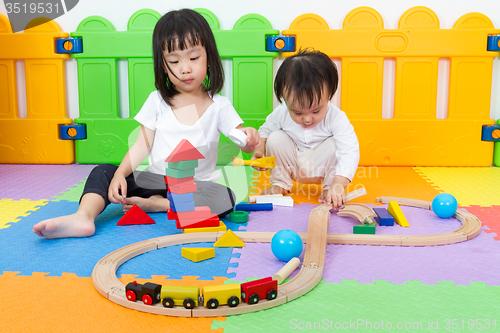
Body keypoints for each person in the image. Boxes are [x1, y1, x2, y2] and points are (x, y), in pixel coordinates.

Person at [33, 9, 260, 239]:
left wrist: (249, 139)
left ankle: (159, 205)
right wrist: (121, 174)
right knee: (102, 172)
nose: (185, 68)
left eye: (193, 58)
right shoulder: (157, 101)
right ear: (163, 65)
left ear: (208, 57)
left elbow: (242, 139)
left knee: (228, 197)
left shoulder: (219, 105)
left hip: (195, 186)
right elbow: (142, 145)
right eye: (174, 60)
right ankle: (83, 217)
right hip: (154, 180)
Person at [253, 49, 359, 209]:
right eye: (297, 112)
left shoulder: (336, 117)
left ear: (329, 95)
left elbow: (350, 150)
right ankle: (280, 183)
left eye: (316, 111)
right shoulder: (282, 112)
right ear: (284, 99)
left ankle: (329, 187)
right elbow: (264, 132)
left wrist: (339, 183)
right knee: (275, 137)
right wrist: (259, 153)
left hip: (322, 167)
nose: (307, 119)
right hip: (293, 164)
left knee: (336, 144)